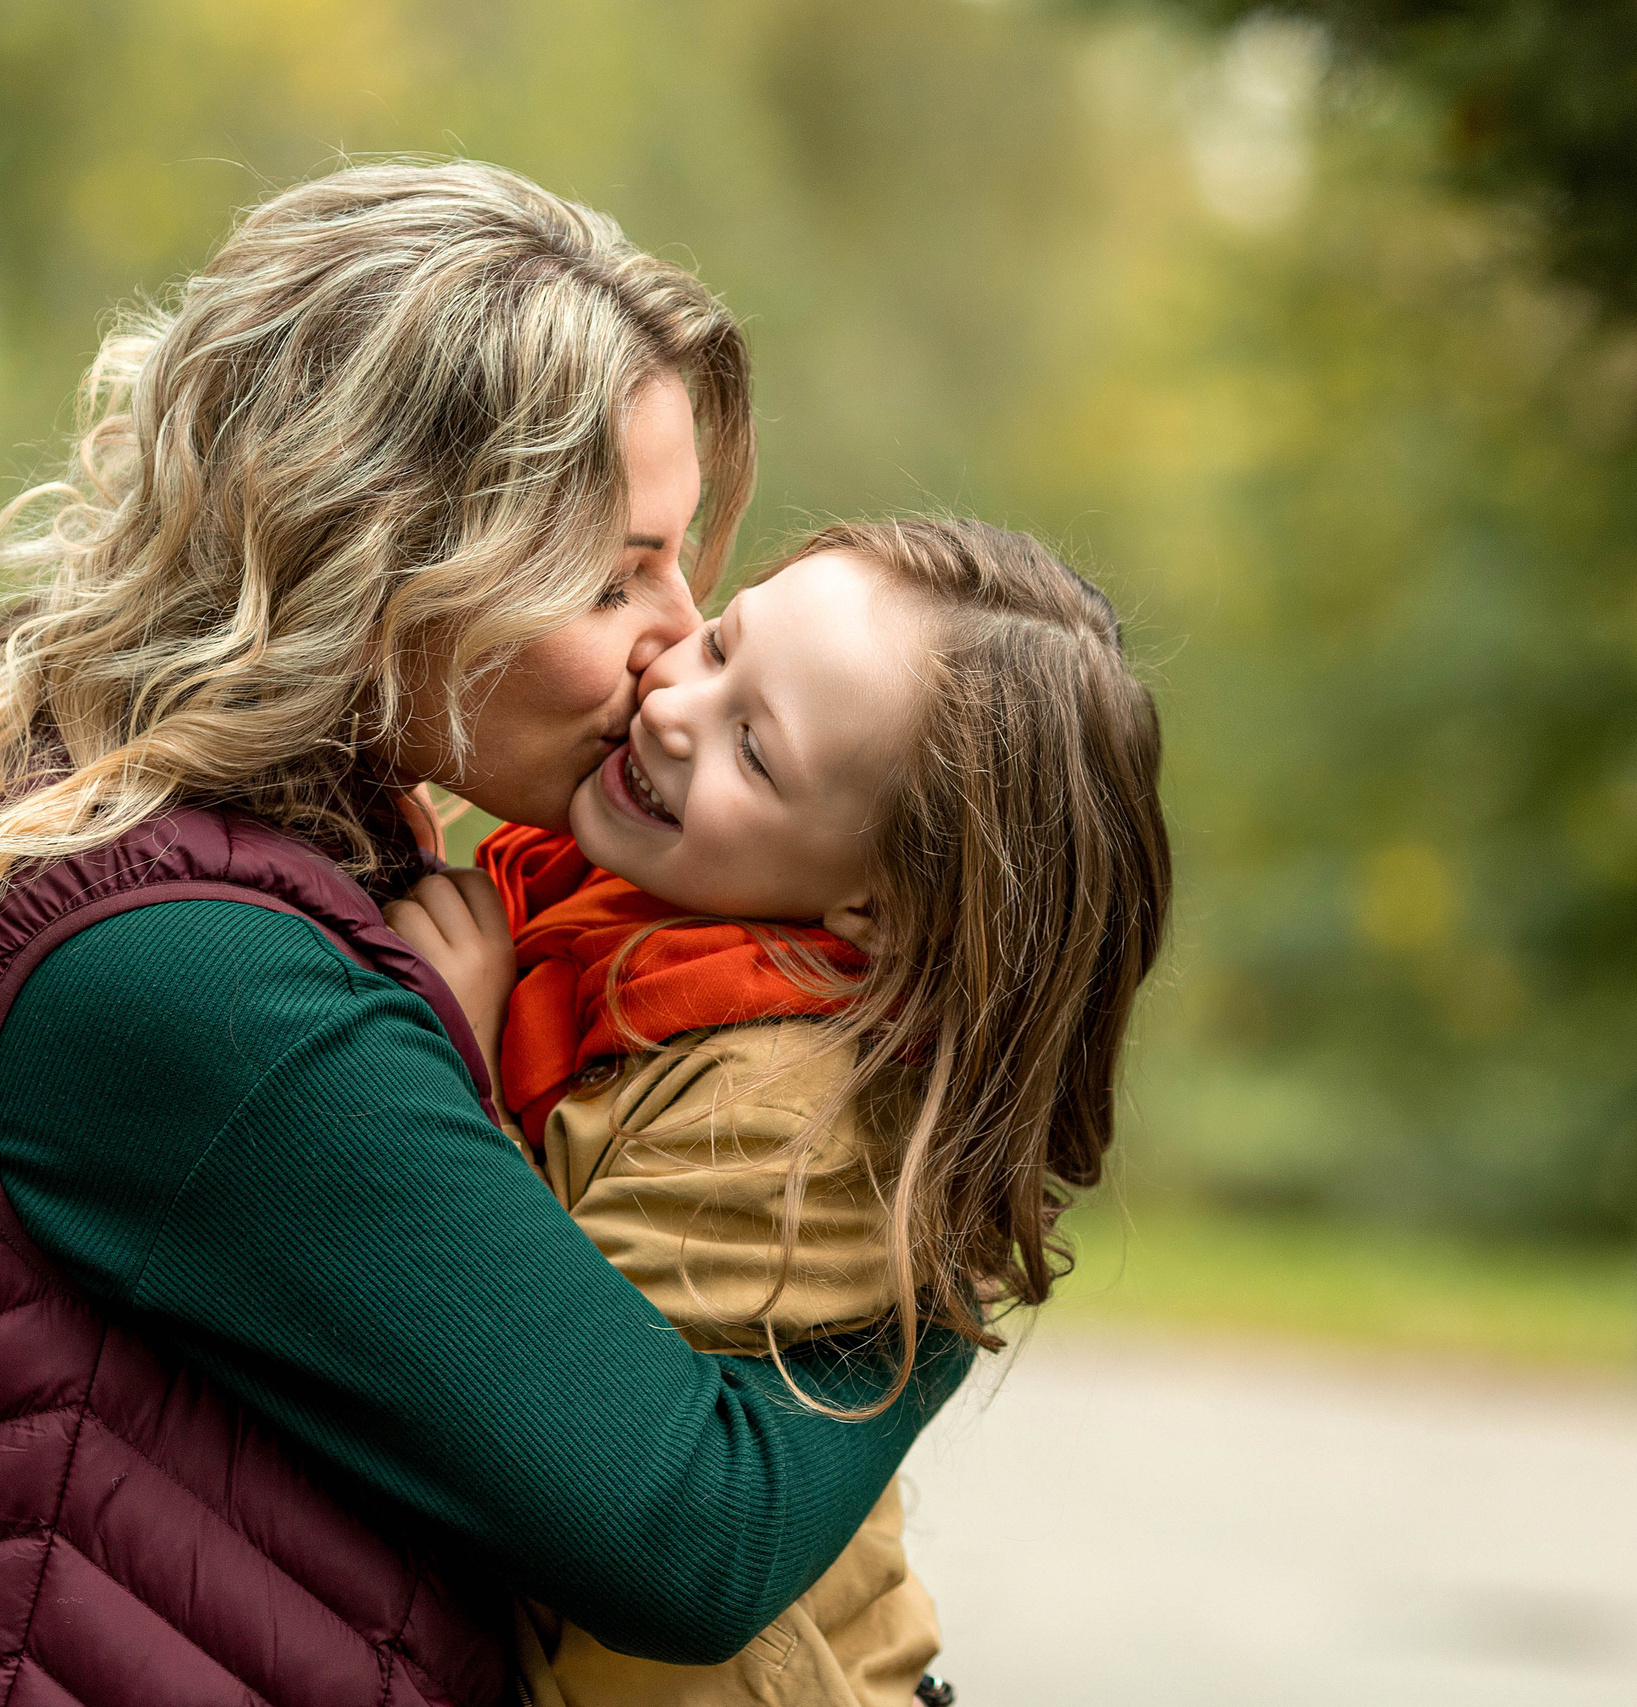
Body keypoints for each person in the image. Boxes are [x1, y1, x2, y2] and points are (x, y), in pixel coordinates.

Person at [0, 162, 973, 1707]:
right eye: (617, 573)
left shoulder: (266, 843)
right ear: (386, 554)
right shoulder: (191, 971)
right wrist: (962, 1193)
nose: (680, 632)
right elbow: (691, 1530)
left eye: (679, 557)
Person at [392, 518, 1173, 1707]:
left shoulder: (784, 1111)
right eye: (717, 644)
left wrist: (446, 1068)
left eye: (753, 751)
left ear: (877, 906)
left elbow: (554, 1397)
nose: (671, 708)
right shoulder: (610, 915)